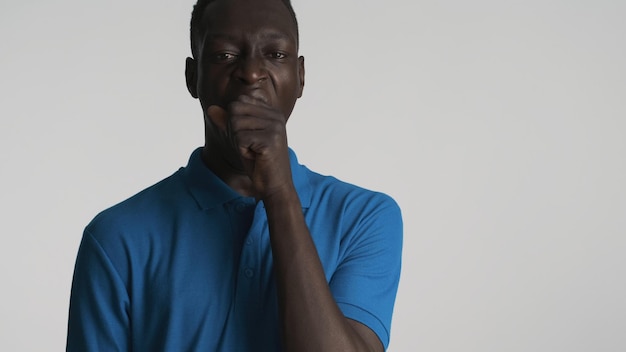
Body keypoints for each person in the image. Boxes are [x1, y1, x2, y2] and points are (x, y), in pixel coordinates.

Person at [66, 0, 402, 350]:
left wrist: (279, 193)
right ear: (192, 77)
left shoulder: (364, 218)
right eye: (225, 55)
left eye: (276, 54)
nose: (252, 72)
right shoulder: (116, 237)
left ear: (300, 77)